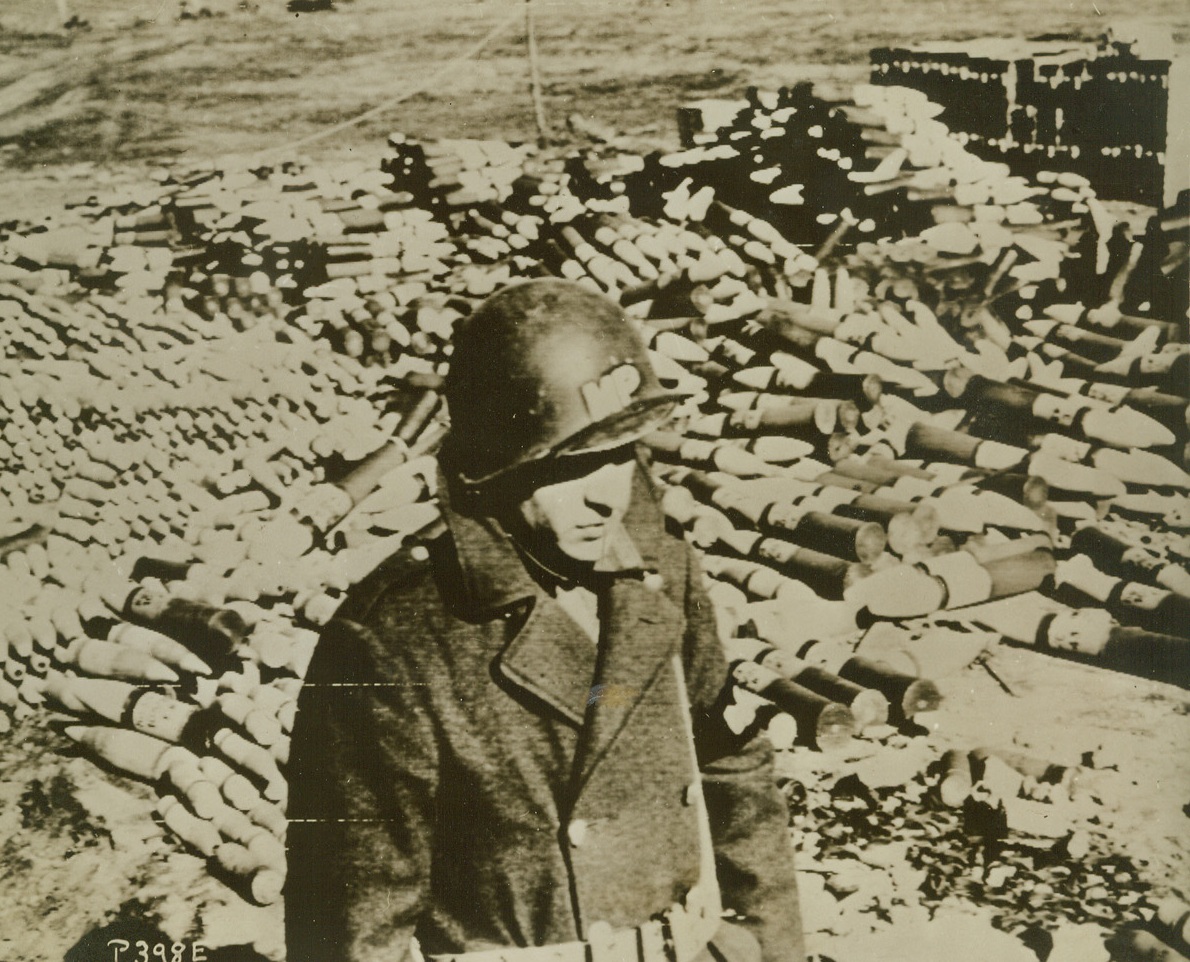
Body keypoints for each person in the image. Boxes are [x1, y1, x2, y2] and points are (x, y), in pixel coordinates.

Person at [285, 278, 805, 962]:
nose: (608, 495)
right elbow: (354, 926)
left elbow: (735, 766)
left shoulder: (663, 572)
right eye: (574, 463)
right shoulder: (394, 644)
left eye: (622, 455)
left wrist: (771, 946)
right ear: (494, 466)